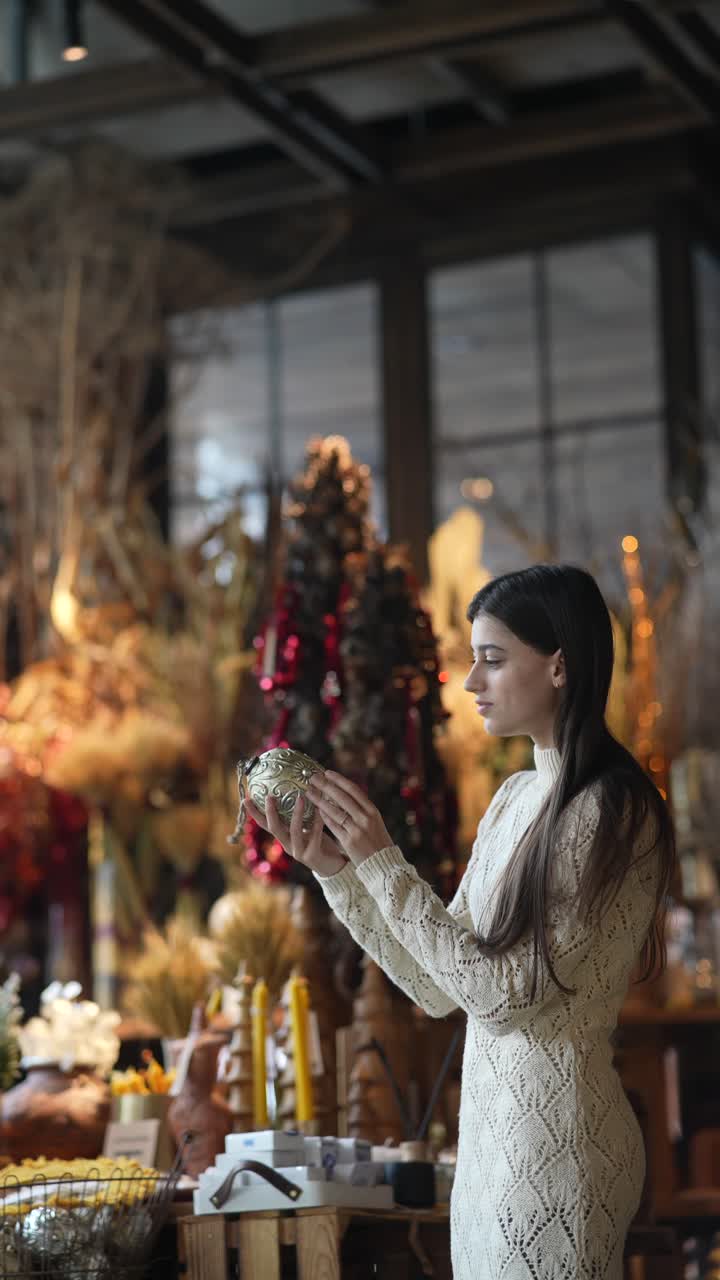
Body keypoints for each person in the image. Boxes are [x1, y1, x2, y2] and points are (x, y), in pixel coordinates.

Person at [246, 563, 675, 1280]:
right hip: (490, 1155)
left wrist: (383, 860)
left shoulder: (610, 807)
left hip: (559, 1153)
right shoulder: (514, 799)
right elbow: (440, 987)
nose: (471, 681)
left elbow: (502, 994)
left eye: (493, 659)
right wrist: (340, 872)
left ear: (560, 665)